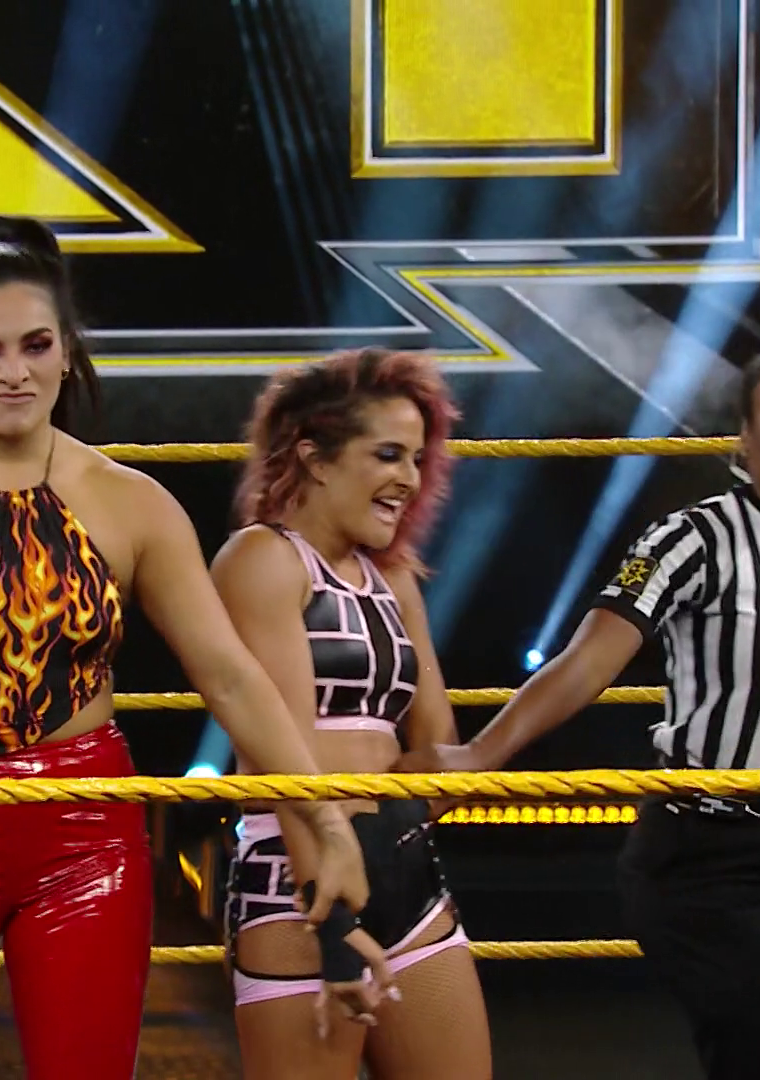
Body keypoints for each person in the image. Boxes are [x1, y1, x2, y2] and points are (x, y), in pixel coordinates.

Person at [0, 215, 381, 1080]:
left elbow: (231, 678)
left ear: (67, 351)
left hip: (86, 832)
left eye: (35, 345)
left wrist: (322, 819)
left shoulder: (132, 504)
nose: (12, 371)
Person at [400, 334, 760, 1080]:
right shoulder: (695, 540)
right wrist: (480, 754)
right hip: (713, 850)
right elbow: (590, 658)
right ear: (745, 437)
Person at [211, 348, 492, 1079]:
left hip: (406, 869)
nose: (410, 479)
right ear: (315, 458)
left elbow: (437, 743)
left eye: (417, 460)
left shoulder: (393, 578)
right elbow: (282, 757)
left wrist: (389, 818)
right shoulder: (262, 559)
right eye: (388, 455)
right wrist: (334, 925)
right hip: (294, 881)